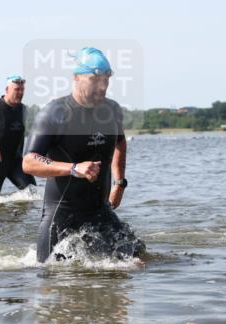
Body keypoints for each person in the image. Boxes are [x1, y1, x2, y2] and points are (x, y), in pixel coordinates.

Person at [23, 47, 143, 262]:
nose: (102, 86)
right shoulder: (55, 112)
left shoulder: (112, 110)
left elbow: (120, 142)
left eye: (106, 79)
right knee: (47, 276)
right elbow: (29, 161)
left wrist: (120, 183)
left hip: (99, 212)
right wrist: (72, 168)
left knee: (138, 258)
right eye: (95, 79)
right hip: (61, 215)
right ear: (76, 78)